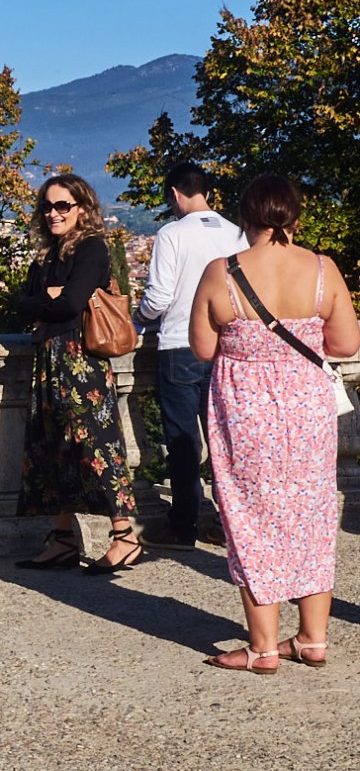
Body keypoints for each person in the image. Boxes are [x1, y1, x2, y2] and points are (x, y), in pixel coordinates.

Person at [188, 174, 359, 672]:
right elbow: (346, 345)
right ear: (295, 216)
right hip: (307, 411)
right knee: (313, 513)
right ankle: (312, 638)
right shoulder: (323, 270)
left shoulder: (222, 272)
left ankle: (263, 648)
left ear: (245, 218)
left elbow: (202, 348)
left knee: (249, 516)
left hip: (244, 412)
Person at [13, 174, 141, 573]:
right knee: (50, 448)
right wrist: (43, 299)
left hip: (81, 360)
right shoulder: (47, 255)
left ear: (82, 209)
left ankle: (125, 536)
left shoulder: (91, 250)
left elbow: (68, 306)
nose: (53, 213)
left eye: (62, 206)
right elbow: (21, 302)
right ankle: (64, 539)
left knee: (96, 448)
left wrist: (47, 299)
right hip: (50, 359)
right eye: (47, 207)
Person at [134, 162, 245, 547]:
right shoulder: (237, 234)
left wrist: (137, 320)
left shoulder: (171, 234)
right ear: (208, 193)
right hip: (227, 346)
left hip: (180, 345)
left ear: (175, 194)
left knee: (183, 442)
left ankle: (182, 526)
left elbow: (160, 296)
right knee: (225, 441)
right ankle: (228, 523)